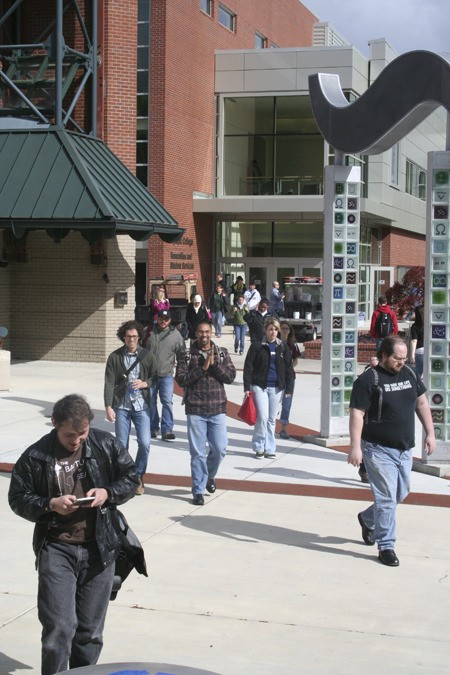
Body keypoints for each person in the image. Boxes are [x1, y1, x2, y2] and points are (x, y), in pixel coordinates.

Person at [8, 394, 140, 675]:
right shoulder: (36, 456)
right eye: (70, 435)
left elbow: (132, 477)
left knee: (90, 632)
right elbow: (17, 498)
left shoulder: (105, 444)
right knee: (59, 629)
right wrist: (49, 504)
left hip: (100, 549)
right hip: (57, 548)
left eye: (83, 434)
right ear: (54, 423)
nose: (77, 441)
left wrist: (108, 492)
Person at [348, 335, 435, 567]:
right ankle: (386, 545)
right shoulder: (368, 380)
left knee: (400, 493)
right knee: (386, 497)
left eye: (405, 358)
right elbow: (357, 413)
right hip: (377, 448)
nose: (402, 362)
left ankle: (368, 518)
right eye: (397, 358)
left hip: (404, 448)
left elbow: (422, 403)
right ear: (384, 355)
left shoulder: (410, 374)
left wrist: (430, 432)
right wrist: (355, 447)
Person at [175, 321, 236, 505]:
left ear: (212, 333)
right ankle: (198, 491)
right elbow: (181, 379)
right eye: (201, 332)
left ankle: (209, 475)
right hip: (195, 409)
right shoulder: (186, 355)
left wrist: (214, 365)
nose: (204, 335)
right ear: (195, 333)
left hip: (217, 408)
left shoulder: (221, 353)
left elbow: (230, 377)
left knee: (220, 448)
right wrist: (202, 369)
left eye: (207, 332)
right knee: (198, 453)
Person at [104, 320, 157, 495]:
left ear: (139, 337)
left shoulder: (147, 356)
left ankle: (138, 475)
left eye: (134, 336)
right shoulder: (115, 357)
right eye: (128, 336)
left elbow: (155, 377)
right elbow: (109, 382)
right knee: (121, 445)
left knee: (145, 443)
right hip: (122, 406)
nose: (131, 339)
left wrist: (145, 383)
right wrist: (108, 406)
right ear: (123, 337)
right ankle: (125, 477)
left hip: (142, 406)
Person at [243, 317, 294, 459]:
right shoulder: (257, 345)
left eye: (276, 329)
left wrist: (289, 389)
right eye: (271, 329)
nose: (273, 332)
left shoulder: (283, 347)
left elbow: (289, 369)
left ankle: (270, 448)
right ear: (265, 330)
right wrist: (247, 387)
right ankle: (259, 446)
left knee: (271, 419)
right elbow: (248, 367)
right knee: (262, 416)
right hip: (259, 386)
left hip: (277, 388)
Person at [146, 309, 185, 441]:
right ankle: (153, 427)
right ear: (157, 319)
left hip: (166, 375)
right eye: (161, 319)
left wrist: (182, 371)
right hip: (150, 376)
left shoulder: (176, 335)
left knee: (167, 401)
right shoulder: (148, 332)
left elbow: (182, 355)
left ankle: (167, 429)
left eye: (166, 319)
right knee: (150, 402)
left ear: (170, 320)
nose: (163, 321)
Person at [278, 321, 301, 439]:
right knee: (273, 402)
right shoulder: (275, 343)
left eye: (287, 328)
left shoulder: (293, 344)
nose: (285, 330)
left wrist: (289, 367)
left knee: (286, 404)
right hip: (276, 377)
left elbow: (296, 359)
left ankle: (283, 428)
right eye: (283, 328)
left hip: (289, 378)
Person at [410, 305, 424, 377]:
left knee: (418, 375)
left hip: (420, 351)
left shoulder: (415, 326)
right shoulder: (431, 325)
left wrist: (412, 354)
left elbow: (414, 340)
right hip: (431, 350)